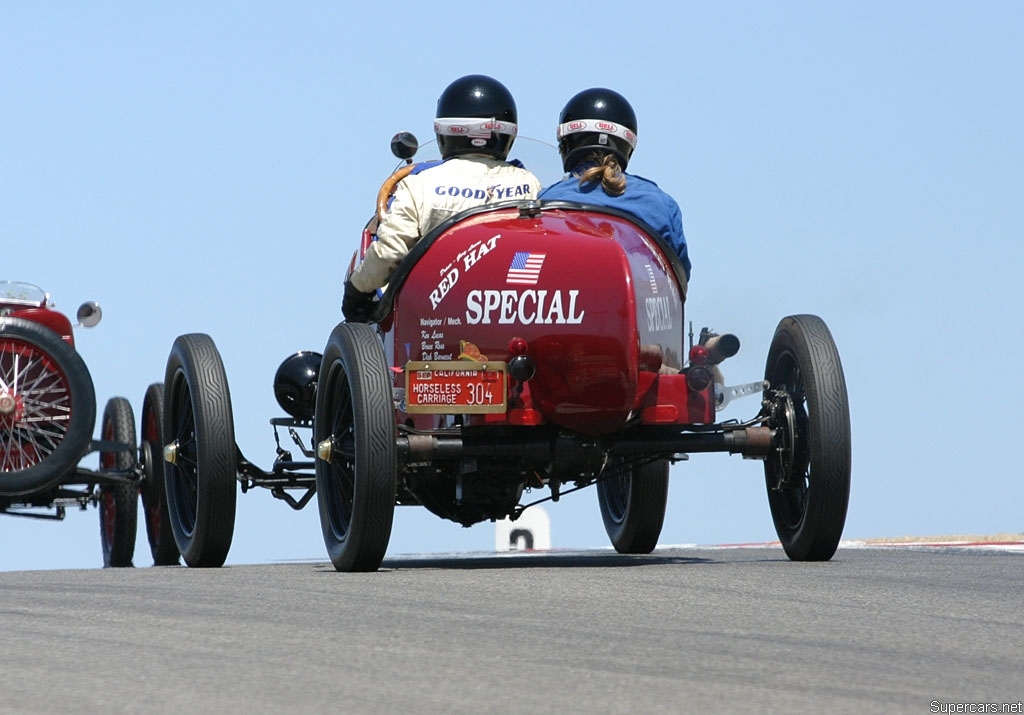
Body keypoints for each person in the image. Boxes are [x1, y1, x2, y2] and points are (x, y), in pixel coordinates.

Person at [343, 74, 542, 322]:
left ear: (445, 133)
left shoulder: (419, 185)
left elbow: (390, 252)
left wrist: (357, 290)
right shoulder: (527, 184)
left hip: (434, 322)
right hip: (508, 314)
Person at [539, 88, 691, 294]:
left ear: (566, 143)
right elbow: (680, 281)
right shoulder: (661, 204)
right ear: (627, 144)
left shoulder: (547, 200)